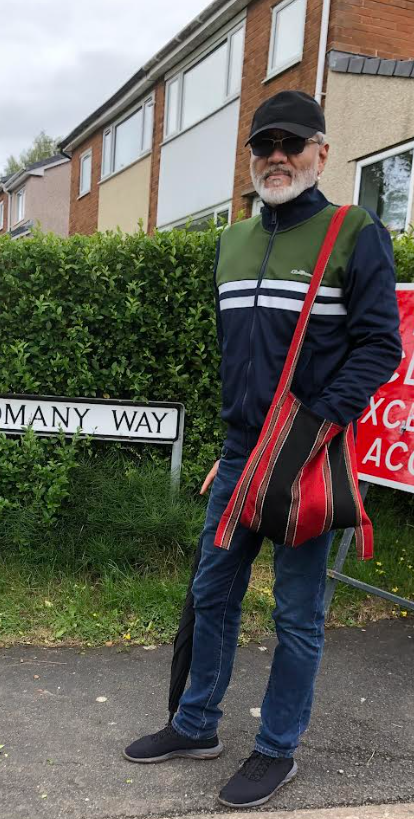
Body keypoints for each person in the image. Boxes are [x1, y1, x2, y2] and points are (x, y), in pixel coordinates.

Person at [123, 90, 402, 809]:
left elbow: (379, 347)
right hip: (243, 452)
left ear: (321, 151)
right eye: (263, 145)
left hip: (307, 454)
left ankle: (277, 750)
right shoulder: (232, 241)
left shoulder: (354, 232)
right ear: (251, 158)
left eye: (292, 143)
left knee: (297, 613)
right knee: (212, 591)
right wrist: (234, 442)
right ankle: (196, 724)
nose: (276, 156)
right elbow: (237, 357)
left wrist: (314, 430)